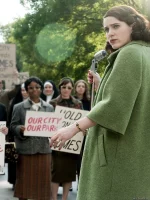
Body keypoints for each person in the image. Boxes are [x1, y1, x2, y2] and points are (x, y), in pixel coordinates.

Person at [50, 5, 150, 200]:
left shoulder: (129, 54)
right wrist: (102, 82)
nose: (110, 33)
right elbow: (132, 96)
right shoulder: (145, 53)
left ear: (133, 25)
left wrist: (74, 128)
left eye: (116, 26)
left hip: (117, 155)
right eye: (106, 29)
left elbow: (113, 105)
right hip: (136, 153)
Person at [10, 76, 54, 200]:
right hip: (26, 151)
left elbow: (53, 128)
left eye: (37, 87)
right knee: (25, 185)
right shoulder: (18, 107)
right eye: (31, 88)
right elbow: (12, 126)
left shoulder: (49, 108)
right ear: (27, 90)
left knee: (42, 185)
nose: (34, 90)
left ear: (41, 90)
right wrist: (20, 129)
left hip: (44, 150)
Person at [50, 77, 83, 200]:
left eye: (69, 88)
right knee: (55, 172)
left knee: (69, 173)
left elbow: (81, 121)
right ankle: (53, 198)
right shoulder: (53, 103)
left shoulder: (77, 104)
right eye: (64, 87)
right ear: (60, 88)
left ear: (72, 89)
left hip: (72, 143)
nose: (66, 90)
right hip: (57, 141)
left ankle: (65, 198)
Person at [6, 83, 29, 189]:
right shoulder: (14, 103)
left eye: (26, 90)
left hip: (30, 138)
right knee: (15, 160)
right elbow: (10, 120)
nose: (24, 92)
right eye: (23, 90)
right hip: (15, 136)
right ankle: (15, 182)